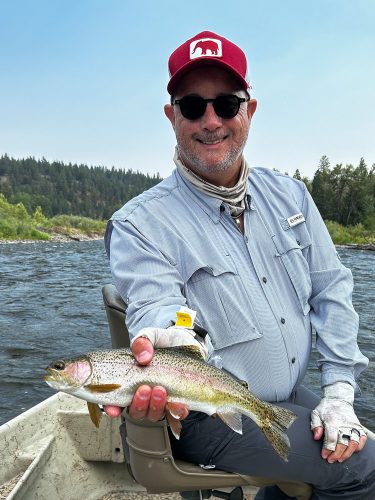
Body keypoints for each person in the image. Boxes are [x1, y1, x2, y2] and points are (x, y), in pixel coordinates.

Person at [104, 31, 375, 499]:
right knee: (365, 467)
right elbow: (154, 306)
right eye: (192, 106)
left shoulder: (292, 196)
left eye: (227, 104)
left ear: (249, 109)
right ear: (172, 116)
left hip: (285, 395)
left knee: (355, 443)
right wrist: (169, 338)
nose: (211, 121)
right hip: (203, 413)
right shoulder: (138, 224)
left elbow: (332, 293)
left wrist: (338, 392)